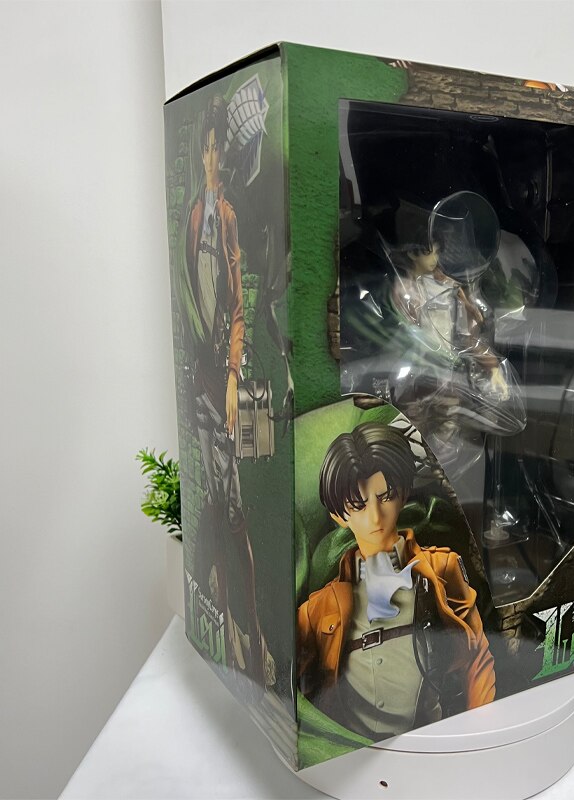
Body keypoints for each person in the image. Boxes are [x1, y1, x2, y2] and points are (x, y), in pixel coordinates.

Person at [297, 422, 495, 739]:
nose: (375, 516)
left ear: (403, 493)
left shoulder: (441, 570)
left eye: (385, 496)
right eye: (358, 505)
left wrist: (479, 731)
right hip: (351, 750)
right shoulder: (318, 609)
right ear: (339, 515)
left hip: (428, 739)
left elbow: (477, 657)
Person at [185, 94, 272, 690]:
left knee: (235, 509)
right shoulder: (195, 216)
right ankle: (227, 630)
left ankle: (256, 636)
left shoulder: (229, 215)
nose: (214, 157)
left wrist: (235, 377)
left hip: (223, 378)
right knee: (216, 505)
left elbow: (238, 307)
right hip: (197, 379)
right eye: (208, 147)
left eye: (221, 147)